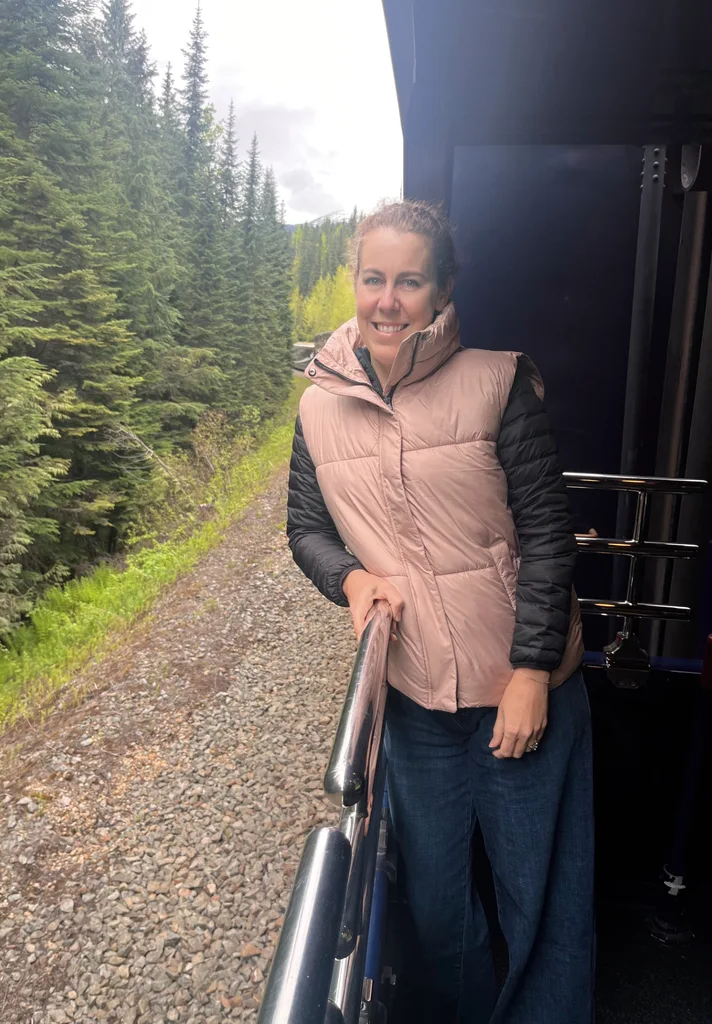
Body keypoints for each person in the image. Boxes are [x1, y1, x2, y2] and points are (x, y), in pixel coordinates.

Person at [286, 199, 594, 1024]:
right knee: (435, 905)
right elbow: (306, 528)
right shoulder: (318, 406)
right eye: (373, 279)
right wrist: (351, 580)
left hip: (522, 690)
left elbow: (547, 532)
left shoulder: (497, 383)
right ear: (355, 282)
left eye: (410, 282)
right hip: (417, 699)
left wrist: (531, 671)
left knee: (540, 900)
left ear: (444, 289)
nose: (387, 300)